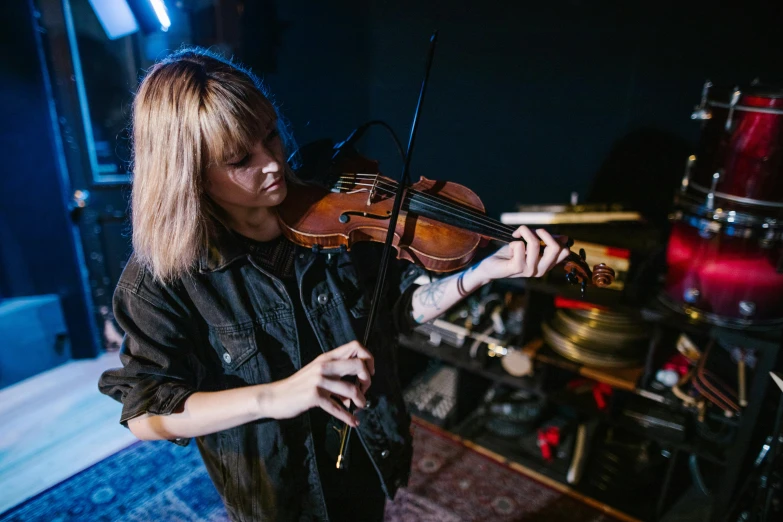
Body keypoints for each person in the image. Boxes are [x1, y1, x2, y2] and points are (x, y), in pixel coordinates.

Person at [98, 47, 570, 522]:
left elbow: (396, 310)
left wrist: (481, 272)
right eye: (241, 158)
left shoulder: (334, 213)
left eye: (272, 137)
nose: (272, 164)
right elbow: (146, 415)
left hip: (366, 450)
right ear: (188, 174)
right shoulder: (160, 278)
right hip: (276, 485)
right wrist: (277, 395)